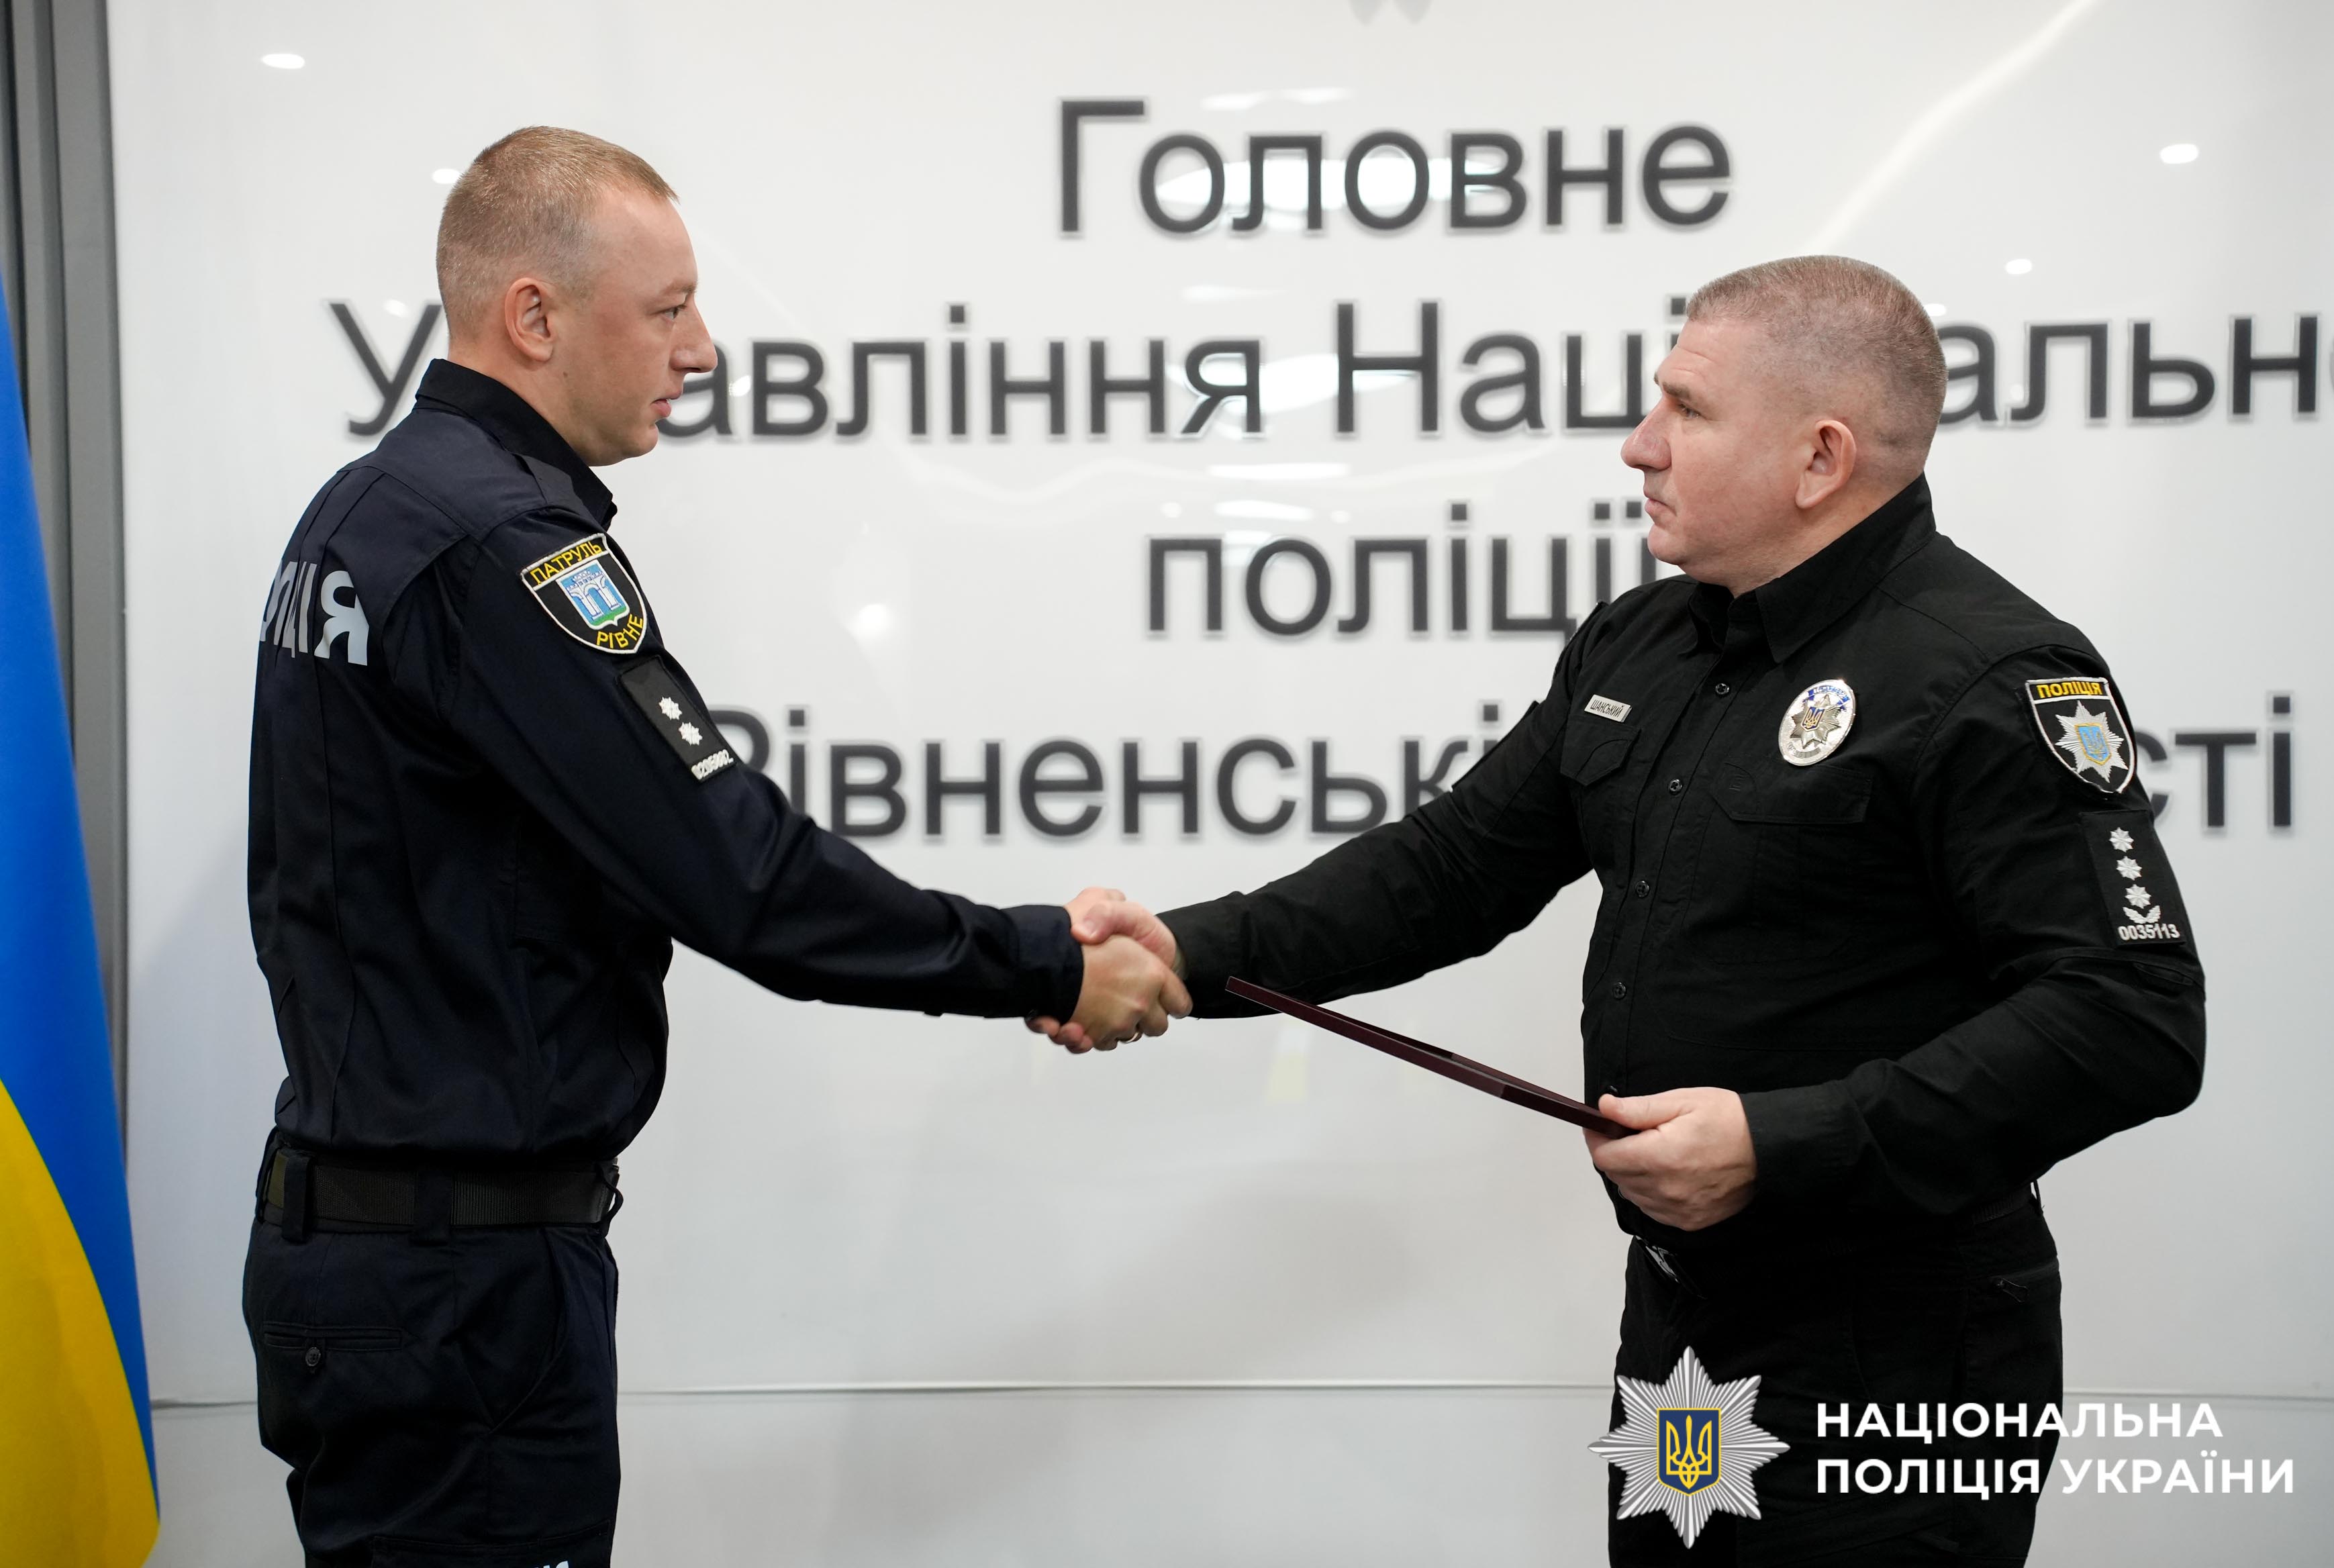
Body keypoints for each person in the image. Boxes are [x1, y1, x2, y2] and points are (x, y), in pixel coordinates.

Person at [1047, 257, 2205, 1564]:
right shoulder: (1643, 641)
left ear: (1820, 458)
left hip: (1897, 1349)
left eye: (1687, 410)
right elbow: (1452, 867)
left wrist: (1779, 1143)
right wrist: (1187, 949)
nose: (1638, 444)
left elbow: (2132, 1018)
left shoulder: (1990, 672)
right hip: (1683, 1336)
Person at [244, 126, 1187, 1568]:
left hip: (378, 1261)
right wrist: (1044, 960)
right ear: (535, 317)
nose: (703, 351)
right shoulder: (503, 548)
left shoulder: (366, 510)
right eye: (670, 309)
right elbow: (743, 876)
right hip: (462, 1294)